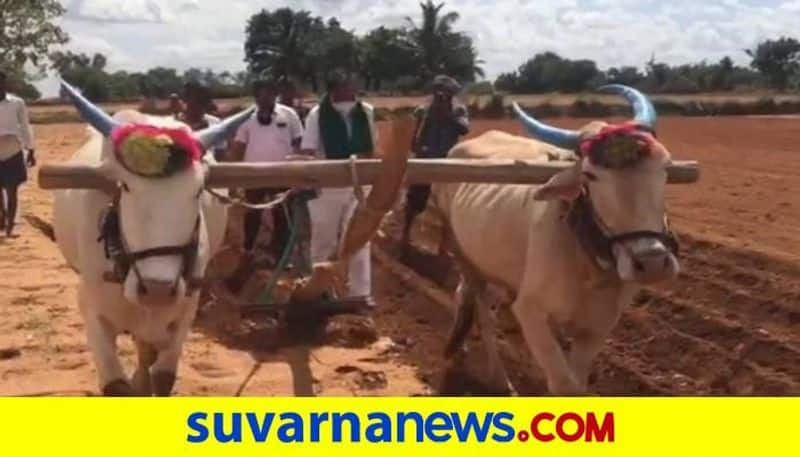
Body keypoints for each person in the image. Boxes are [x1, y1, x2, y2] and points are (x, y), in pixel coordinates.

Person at [301, 70, 378, 306]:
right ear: (334, 90)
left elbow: (372, 149)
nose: (351, 91)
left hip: (358, 186)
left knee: (359, 240)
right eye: (346, 86)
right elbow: (309, 150)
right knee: (324, 241)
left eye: (352, 85)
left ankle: (360, 296)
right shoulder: (317, 114)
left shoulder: (366, 112)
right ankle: (321, 293)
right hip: (327, 187)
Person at [225, 76, 304, 287]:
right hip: (254, 175)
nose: (265, 97)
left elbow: (298, 143)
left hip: (283, 174)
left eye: (269, 93)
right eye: (261, 93)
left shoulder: (289, 115)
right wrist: (231, 177)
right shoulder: (246, 119)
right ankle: (248, 251)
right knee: (252, 215)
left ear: (275, 94)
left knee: (282, 216)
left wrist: (298, 170)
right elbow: (238, 148)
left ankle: (282, 256)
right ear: (256, 97)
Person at [402, 75, 469, 254]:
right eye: (439, 93)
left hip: (447, 162)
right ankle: (404, 236)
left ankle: (444, 246)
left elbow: (464, 129)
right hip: (424, 159)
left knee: (447, 204)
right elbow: (413, 131)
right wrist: (416, 145)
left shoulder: (458, 110)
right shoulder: (423, 110)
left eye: (446, 94)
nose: (442, 96)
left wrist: (447, 115)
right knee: (415, 201)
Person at [0, 70, 36, 237]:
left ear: (5, 83)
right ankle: (3, 219)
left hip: (13, 150)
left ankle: (9, 227)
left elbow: (25, 125)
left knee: (12, 190)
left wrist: (31, 149)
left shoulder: (17, 103)